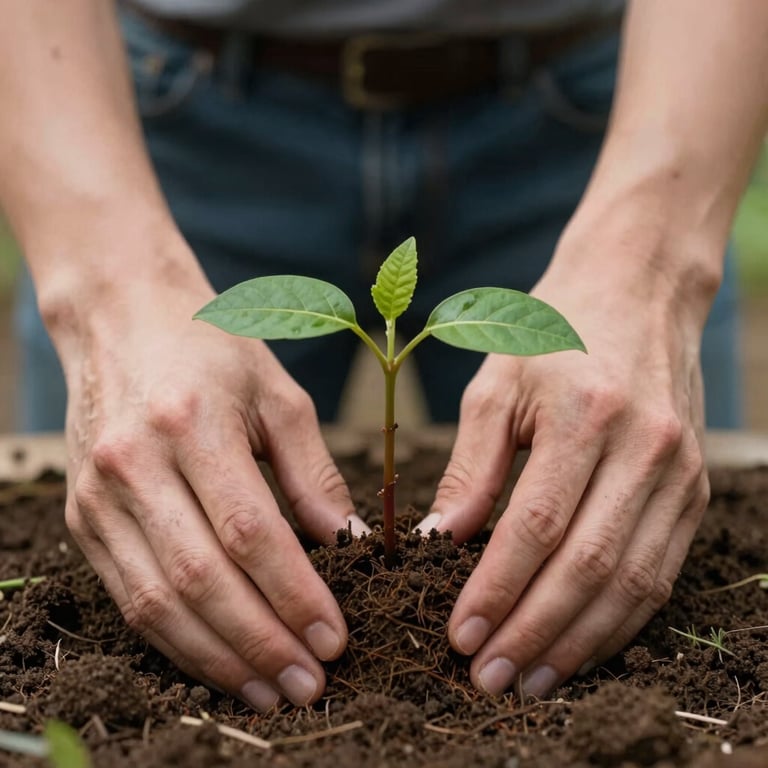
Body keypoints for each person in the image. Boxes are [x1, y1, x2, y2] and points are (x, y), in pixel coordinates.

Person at [1, 0, 766, 711]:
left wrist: (656, 261)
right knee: (157, 502)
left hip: (620, 106)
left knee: (626, 505)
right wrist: (105, 283)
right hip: (134, 113)